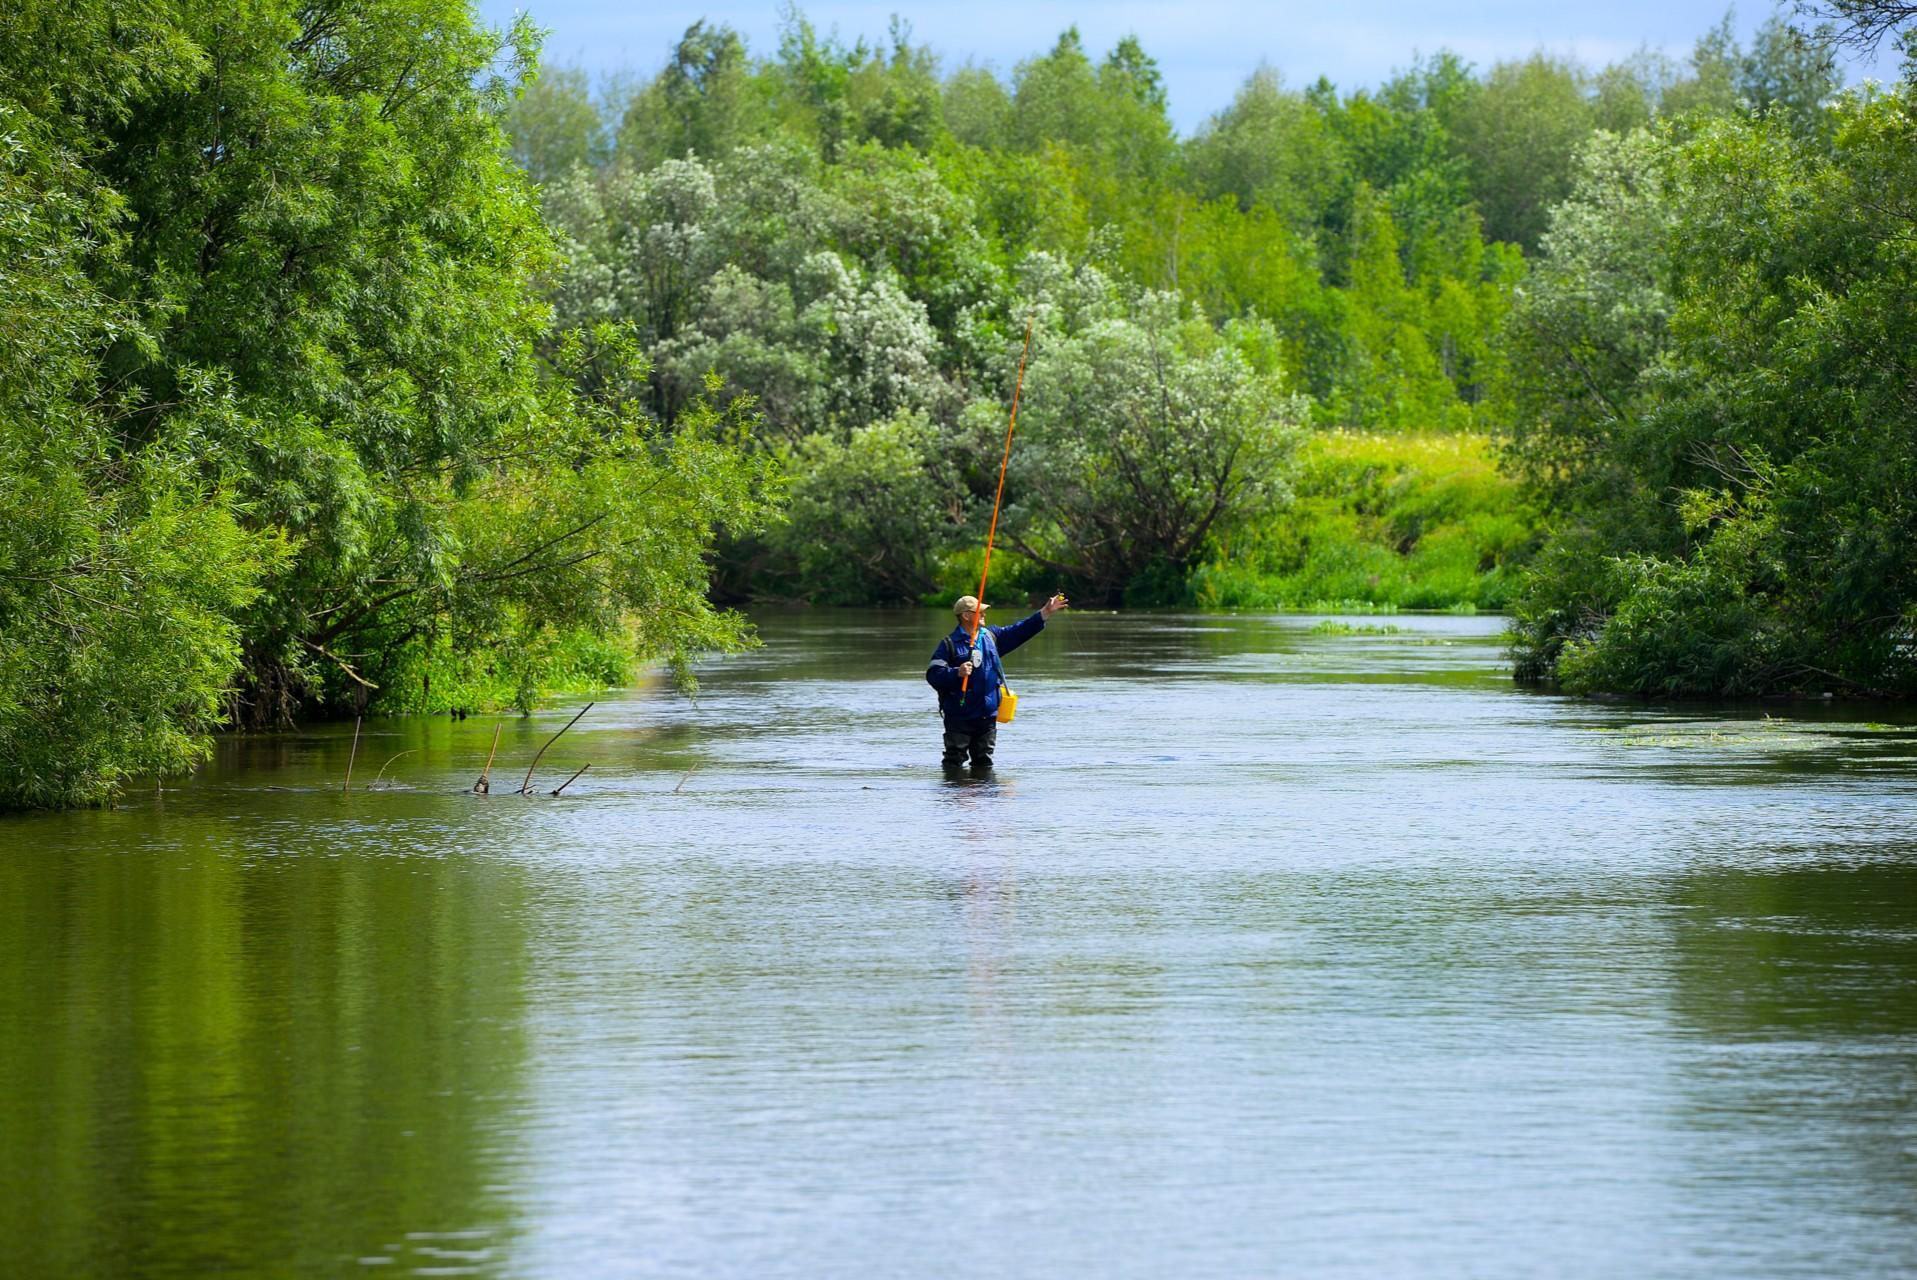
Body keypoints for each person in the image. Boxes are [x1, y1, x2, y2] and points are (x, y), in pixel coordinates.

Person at [926, 592, 1068, 771]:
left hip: (987, 715)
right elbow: (933, 675)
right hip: (959, 716)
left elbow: (1019, 631)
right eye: (980, 612)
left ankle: (987, 799)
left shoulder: (991, 637)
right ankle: (954, 798)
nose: (984, 614)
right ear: (966, 616)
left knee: (984, 762)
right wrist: (956, 673)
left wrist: (1045, 613)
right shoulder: (948, 644)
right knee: (954, 761)